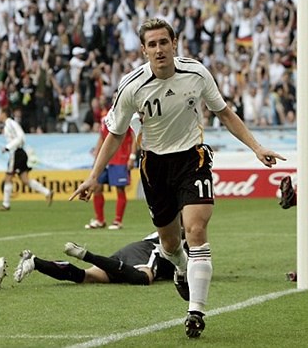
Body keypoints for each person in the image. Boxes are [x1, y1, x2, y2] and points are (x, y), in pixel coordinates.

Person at [70, 18, 285, 338]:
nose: (159, 49)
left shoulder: (196, 73)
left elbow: (224, 113)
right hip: (154, 166)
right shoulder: (131, 86)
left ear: (174, 44)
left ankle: (195, 311)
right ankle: (182, 268)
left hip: (191, 159)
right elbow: (116, 134)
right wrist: (93, 176)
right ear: (143, 50)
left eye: (163, 42)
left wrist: (256, 147)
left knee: (196, 230)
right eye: (152, 44)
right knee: (170, 245)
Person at [14, 233, 177, 286]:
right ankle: (87, 256)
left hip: (131, 252)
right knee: (144, 278)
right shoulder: (182, 235)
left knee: (87, 276)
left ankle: (35, 262)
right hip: (148, 250)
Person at [0, 107, 54, 211]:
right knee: (25, 179)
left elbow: (21, 136)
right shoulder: (8, 124)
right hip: (20, 153)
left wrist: (8, 147)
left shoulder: (11, 123)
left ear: (4, 114)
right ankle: (47, 192)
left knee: (8, 178)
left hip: (16, 153)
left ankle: (6, 204)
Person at [85, 113, 136, 230]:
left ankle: (118, 221)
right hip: (105, 160)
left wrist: (132, 156)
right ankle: (100, 220)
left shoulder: (126, 116)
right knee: (96, 187)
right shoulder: (106, 118)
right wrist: (96, 158)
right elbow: (102, 138)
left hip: (121, 159)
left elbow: (134, 137)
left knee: (119, 188)